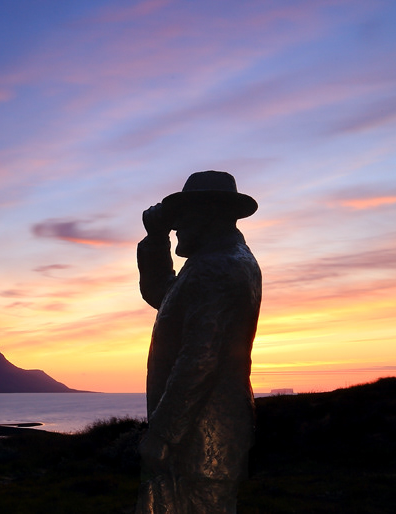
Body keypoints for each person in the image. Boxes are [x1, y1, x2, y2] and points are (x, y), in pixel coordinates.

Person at [135, 170, 262, 513]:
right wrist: (157, 239)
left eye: (183, 214)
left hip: (201, 436)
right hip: (198, 432)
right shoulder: (216, 261)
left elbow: (199, 360)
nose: (176, 225)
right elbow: (162, 293)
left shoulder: (217, 267)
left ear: (209, 214)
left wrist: (162, 434)